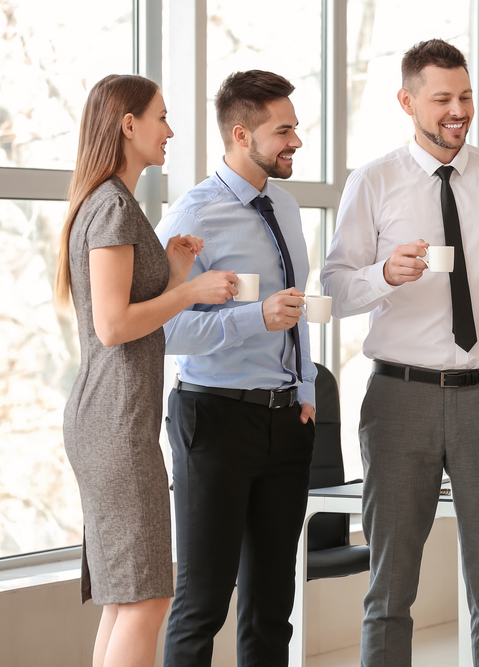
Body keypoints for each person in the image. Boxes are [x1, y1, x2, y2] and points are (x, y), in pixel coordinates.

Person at [322, 38, 479, 667]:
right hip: (400, 398)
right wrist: (382, 276)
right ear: (407, 101)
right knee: (390, 585)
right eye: (443, 99)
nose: (459, 111)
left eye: (466, 97)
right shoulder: (372, 181)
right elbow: (335, 287)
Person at [54, 74, 237, 667]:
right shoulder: (110, 204)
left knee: (126, 599)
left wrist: (174, 271)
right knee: (147, 597)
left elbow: (128, 311)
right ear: (128, 125)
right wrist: (192, 293)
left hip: (112, 420)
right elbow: (113, 326)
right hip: (115, 426)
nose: (170, 131)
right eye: (161, 118)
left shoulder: (110, 202)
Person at [155, 70, 317, 667]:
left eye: (295, 127)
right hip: (215, 418)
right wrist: (256, 320)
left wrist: (305, 389)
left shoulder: (287, 205)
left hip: (285, 422)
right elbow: (164, 328)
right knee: (203, 602)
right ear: (242, 134)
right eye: (284, 130)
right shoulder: (193, 214)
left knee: (273, 606)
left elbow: (296, 309)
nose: (296, 140)